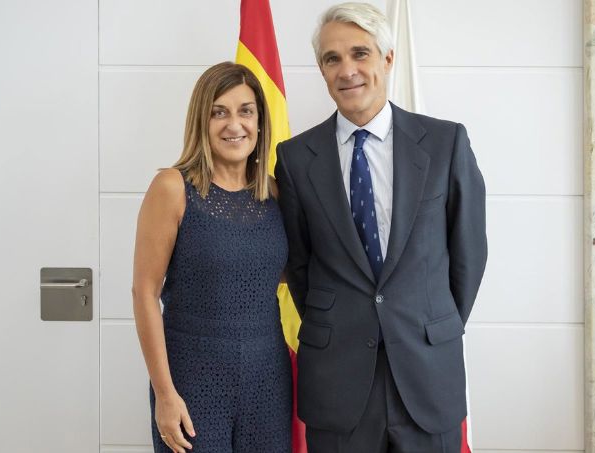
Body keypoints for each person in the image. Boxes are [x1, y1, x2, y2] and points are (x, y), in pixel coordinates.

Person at [274, 3, 487, 452]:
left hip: (427, 374)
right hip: (338, 382)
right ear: (321, 69)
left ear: (387, 59)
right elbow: (299, 265)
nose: (347, 70)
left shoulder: (446, 143)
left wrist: (430, 321)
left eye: (360, 53)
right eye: (332, 59)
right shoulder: (294, 159)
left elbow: (468, 254)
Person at [132, 62, 292, 453]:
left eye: (245, 111)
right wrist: (164, 394)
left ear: (260, 122)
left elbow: (283, 274)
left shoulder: (276, 194)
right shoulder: (172, 188)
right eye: (219, 112)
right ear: (201, 121)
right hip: (192, 381)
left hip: (268, 383)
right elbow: (144, 293)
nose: (234, 124)